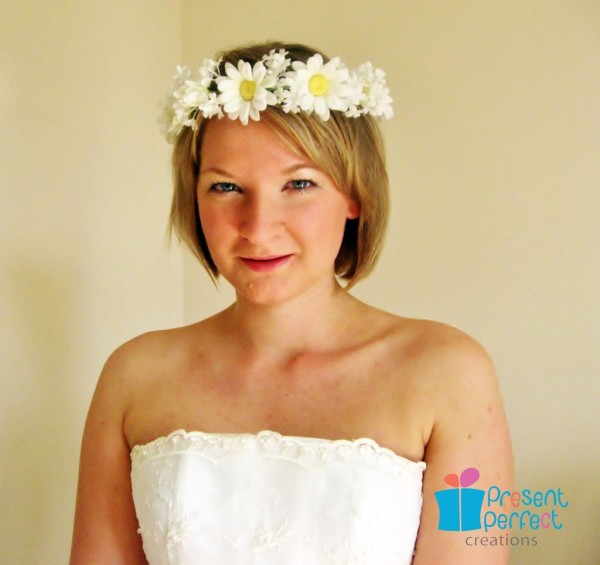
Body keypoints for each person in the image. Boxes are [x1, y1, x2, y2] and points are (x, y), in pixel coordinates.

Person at [70, 41, 512, 564]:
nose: (258, 227)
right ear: (194, 197)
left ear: (355, 196)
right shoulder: (135, 375)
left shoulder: (447, 373)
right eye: (226, 187)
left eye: (298, 184)